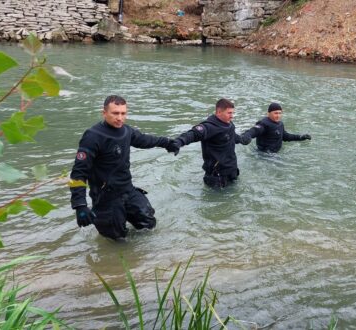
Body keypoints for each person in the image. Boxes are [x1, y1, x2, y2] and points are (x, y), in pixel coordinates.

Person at [69, 95, 180, 240]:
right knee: (117, 241)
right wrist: (80, 205)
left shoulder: (126, 131)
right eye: (115, 113)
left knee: (148, 225)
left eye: (123, 113)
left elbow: (144, 140)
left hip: (127, 190)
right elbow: (78, 173)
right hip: (105, 198)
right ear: (104, 113)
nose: (120, 118)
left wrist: (166, 143)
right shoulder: (93, 136)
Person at [168, 98, 247, 188]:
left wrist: (243, 139)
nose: (232, 116)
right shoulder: (209, 127)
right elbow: (193, 134)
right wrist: (178, 142)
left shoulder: (229, 124)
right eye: (229, 113)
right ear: (219, 112)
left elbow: (231, 136)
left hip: (231, 170)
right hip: (217, 176)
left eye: (233, 113)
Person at [241, 102, 311, 153]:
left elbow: (285, 136)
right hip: (264, 156)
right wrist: (247, 135)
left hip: (275, 154)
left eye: (280, 113)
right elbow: (254, 130)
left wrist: (300, 137)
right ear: (268, 113)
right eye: (275, 113)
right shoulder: (264, 123)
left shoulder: (280, 124)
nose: (278, 116)